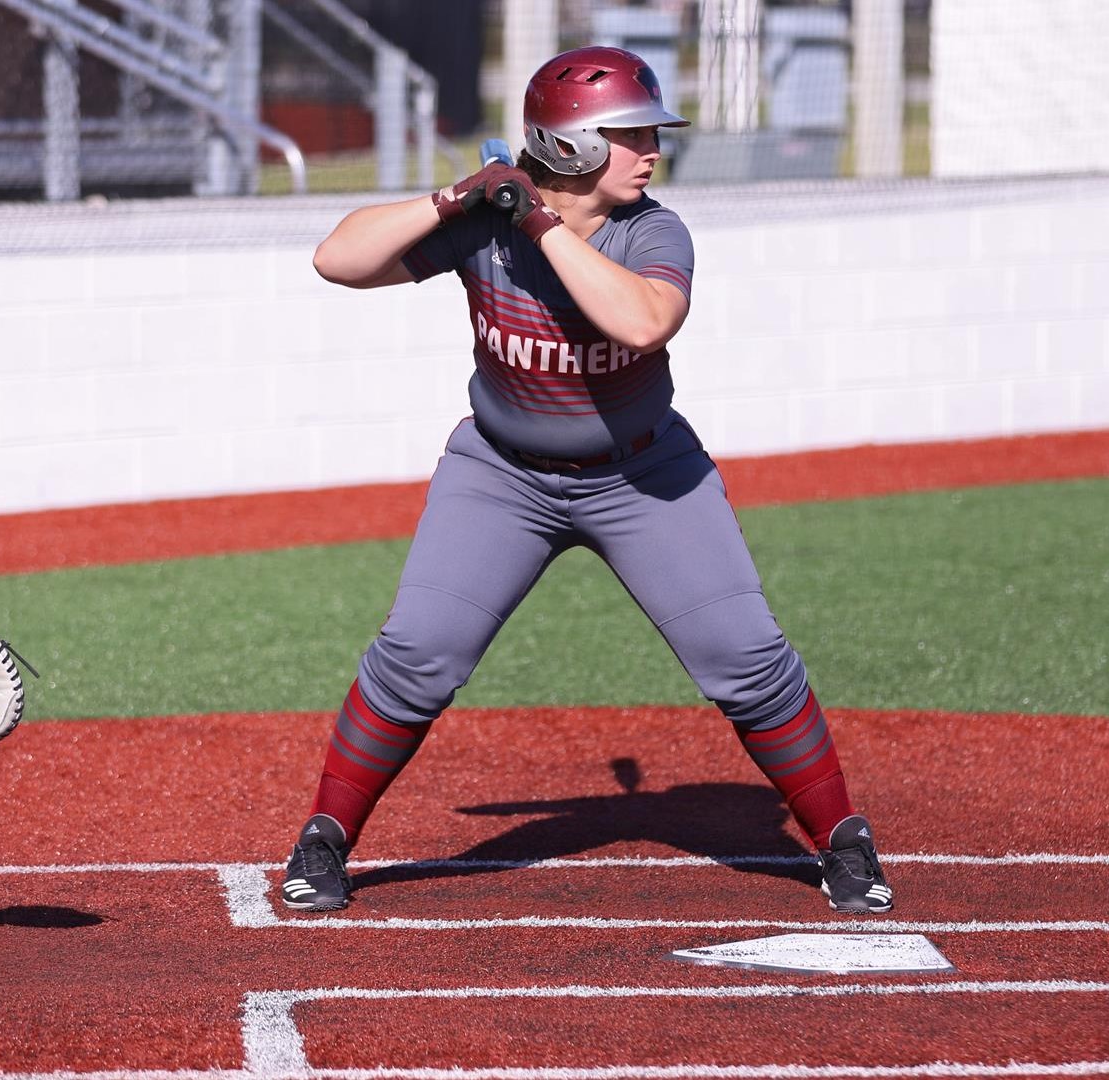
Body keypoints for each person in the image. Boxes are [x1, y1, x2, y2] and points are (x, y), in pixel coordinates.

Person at [280, 45, 894, 916]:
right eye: (628, 134)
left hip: (644, 474)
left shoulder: (654, 230)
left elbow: (640, 323)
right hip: (502, 474)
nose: (651, 150)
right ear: (567, 148)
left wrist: (537, 223)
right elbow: (336, 261)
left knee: (745, 662)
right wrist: (455, 197)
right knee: (417, 655)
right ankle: (324, 836)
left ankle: (843, 838)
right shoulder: (483, 220)